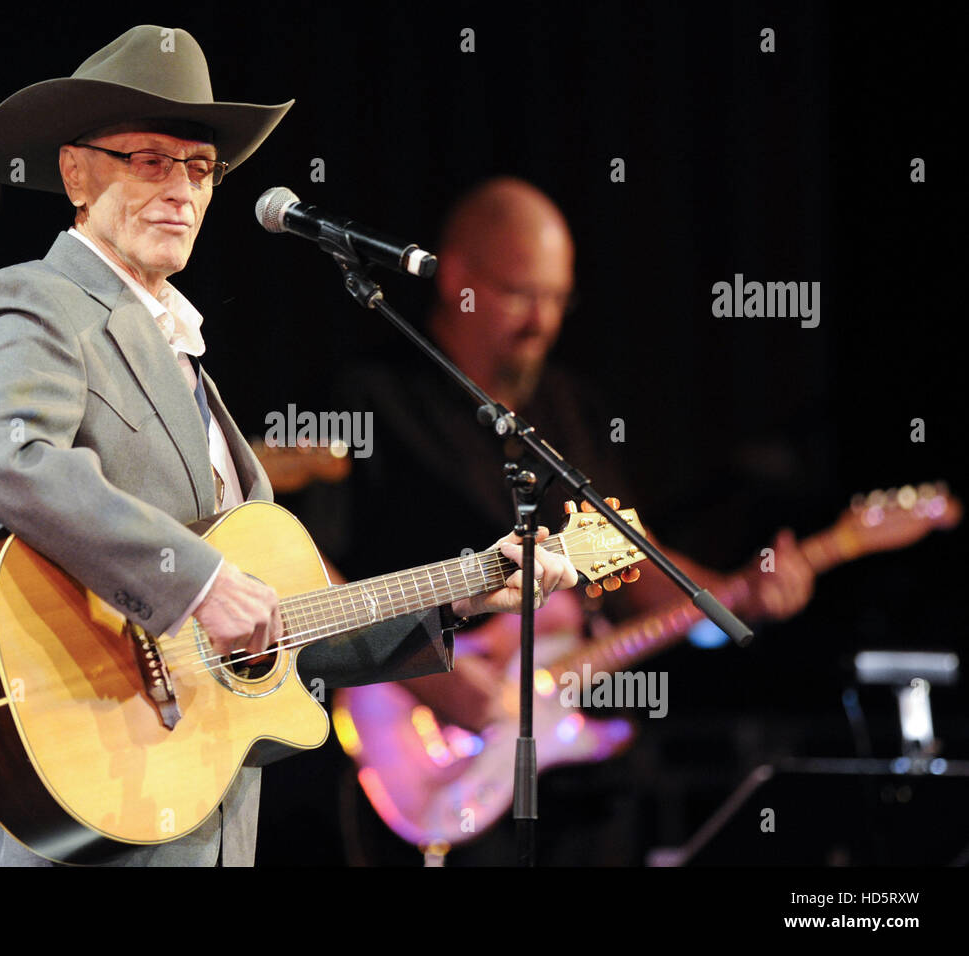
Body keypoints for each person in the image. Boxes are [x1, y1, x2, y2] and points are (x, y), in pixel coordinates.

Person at [0, 26, 578, 868]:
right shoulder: (38, 299)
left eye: (199, 168)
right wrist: (197, 581)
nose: (180, 190)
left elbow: (283, 628)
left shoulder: (184, 356)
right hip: (92, 798)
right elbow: (4, 456)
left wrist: (467, 590)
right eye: (148, 161)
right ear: (76, 171)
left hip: (210, 823)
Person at [269, 176, 816, 865]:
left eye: (558, 298)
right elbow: (301, 561)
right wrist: (422, 671)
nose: (542, 321)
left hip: (576, 777)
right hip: (425, 760)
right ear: (458, 276)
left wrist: (737, 595)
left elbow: (617, 559)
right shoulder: (368, 398)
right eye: (522, 294)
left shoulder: (569, 409)